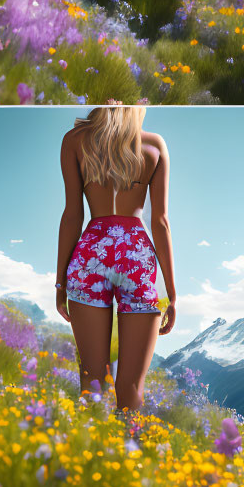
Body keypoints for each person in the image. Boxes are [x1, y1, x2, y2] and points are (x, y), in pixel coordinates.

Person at [54, 104, 176, 420]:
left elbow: (72, 216)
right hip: (137, 259)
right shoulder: (154, 144)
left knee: (91, 384)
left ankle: (90, 458)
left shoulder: (75, 139)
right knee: (132, 387)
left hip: (90, 255)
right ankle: (127, 460)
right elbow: (160, 221)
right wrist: (172, 295)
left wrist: (59, 282)